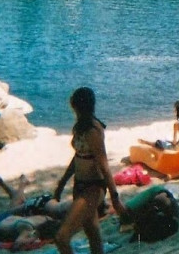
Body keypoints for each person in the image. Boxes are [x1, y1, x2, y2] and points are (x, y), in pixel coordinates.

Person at [54, 87, 126, 254]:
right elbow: (79, 157)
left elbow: (104, 165)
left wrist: (115, 198)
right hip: (80, 185)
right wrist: (62, 183)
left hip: (93, 188)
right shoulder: (80, 127)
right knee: (92, 233)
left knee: (61, 237)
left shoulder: (94, 130)